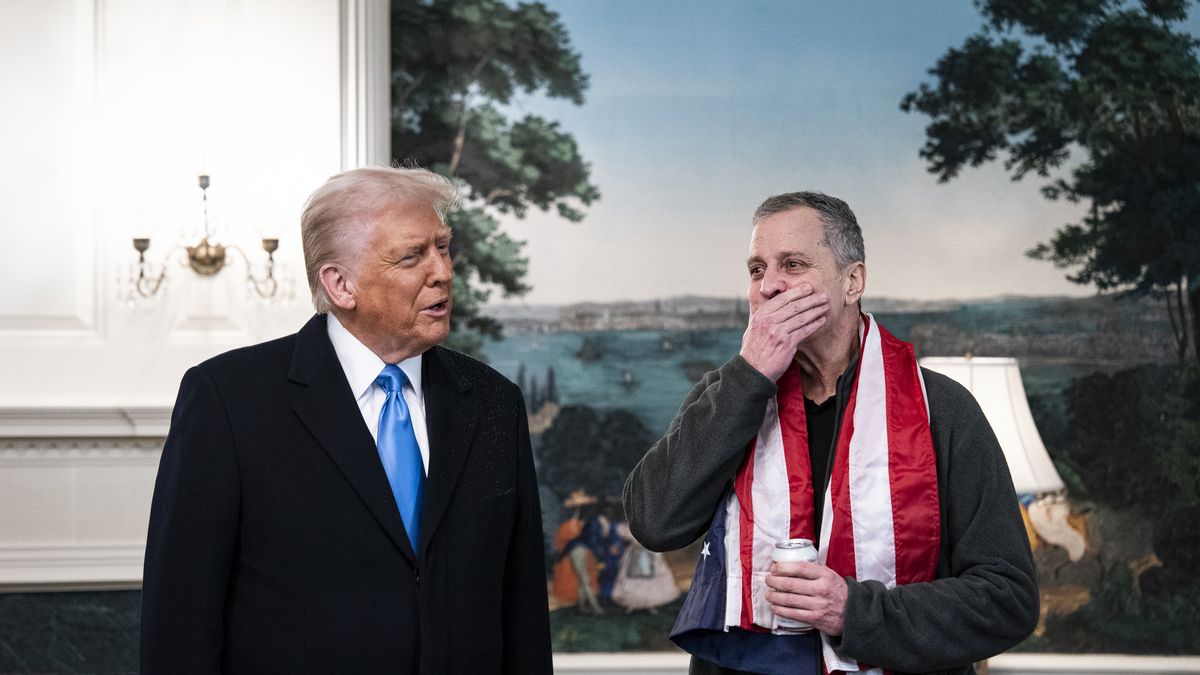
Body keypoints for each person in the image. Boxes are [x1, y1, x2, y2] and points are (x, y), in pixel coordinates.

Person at [140, 167, 552, 674]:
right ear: (340, 284)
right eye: (412, 256)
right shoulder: (229, 399)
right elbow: (179, 623)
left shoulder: (493, 402)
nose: (442, 271)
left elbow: (524, 611)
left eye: (442, 247)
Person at [623, 192, 1038, 675]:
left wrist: (854, 611)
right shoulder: (728, 395)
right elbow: (654, 522)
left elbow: (1007, 598)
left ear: (853, 281)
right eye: (757, 270)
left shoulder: (941, 409)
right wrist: (750, 374)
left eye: (793, 264)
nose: (769, 287)